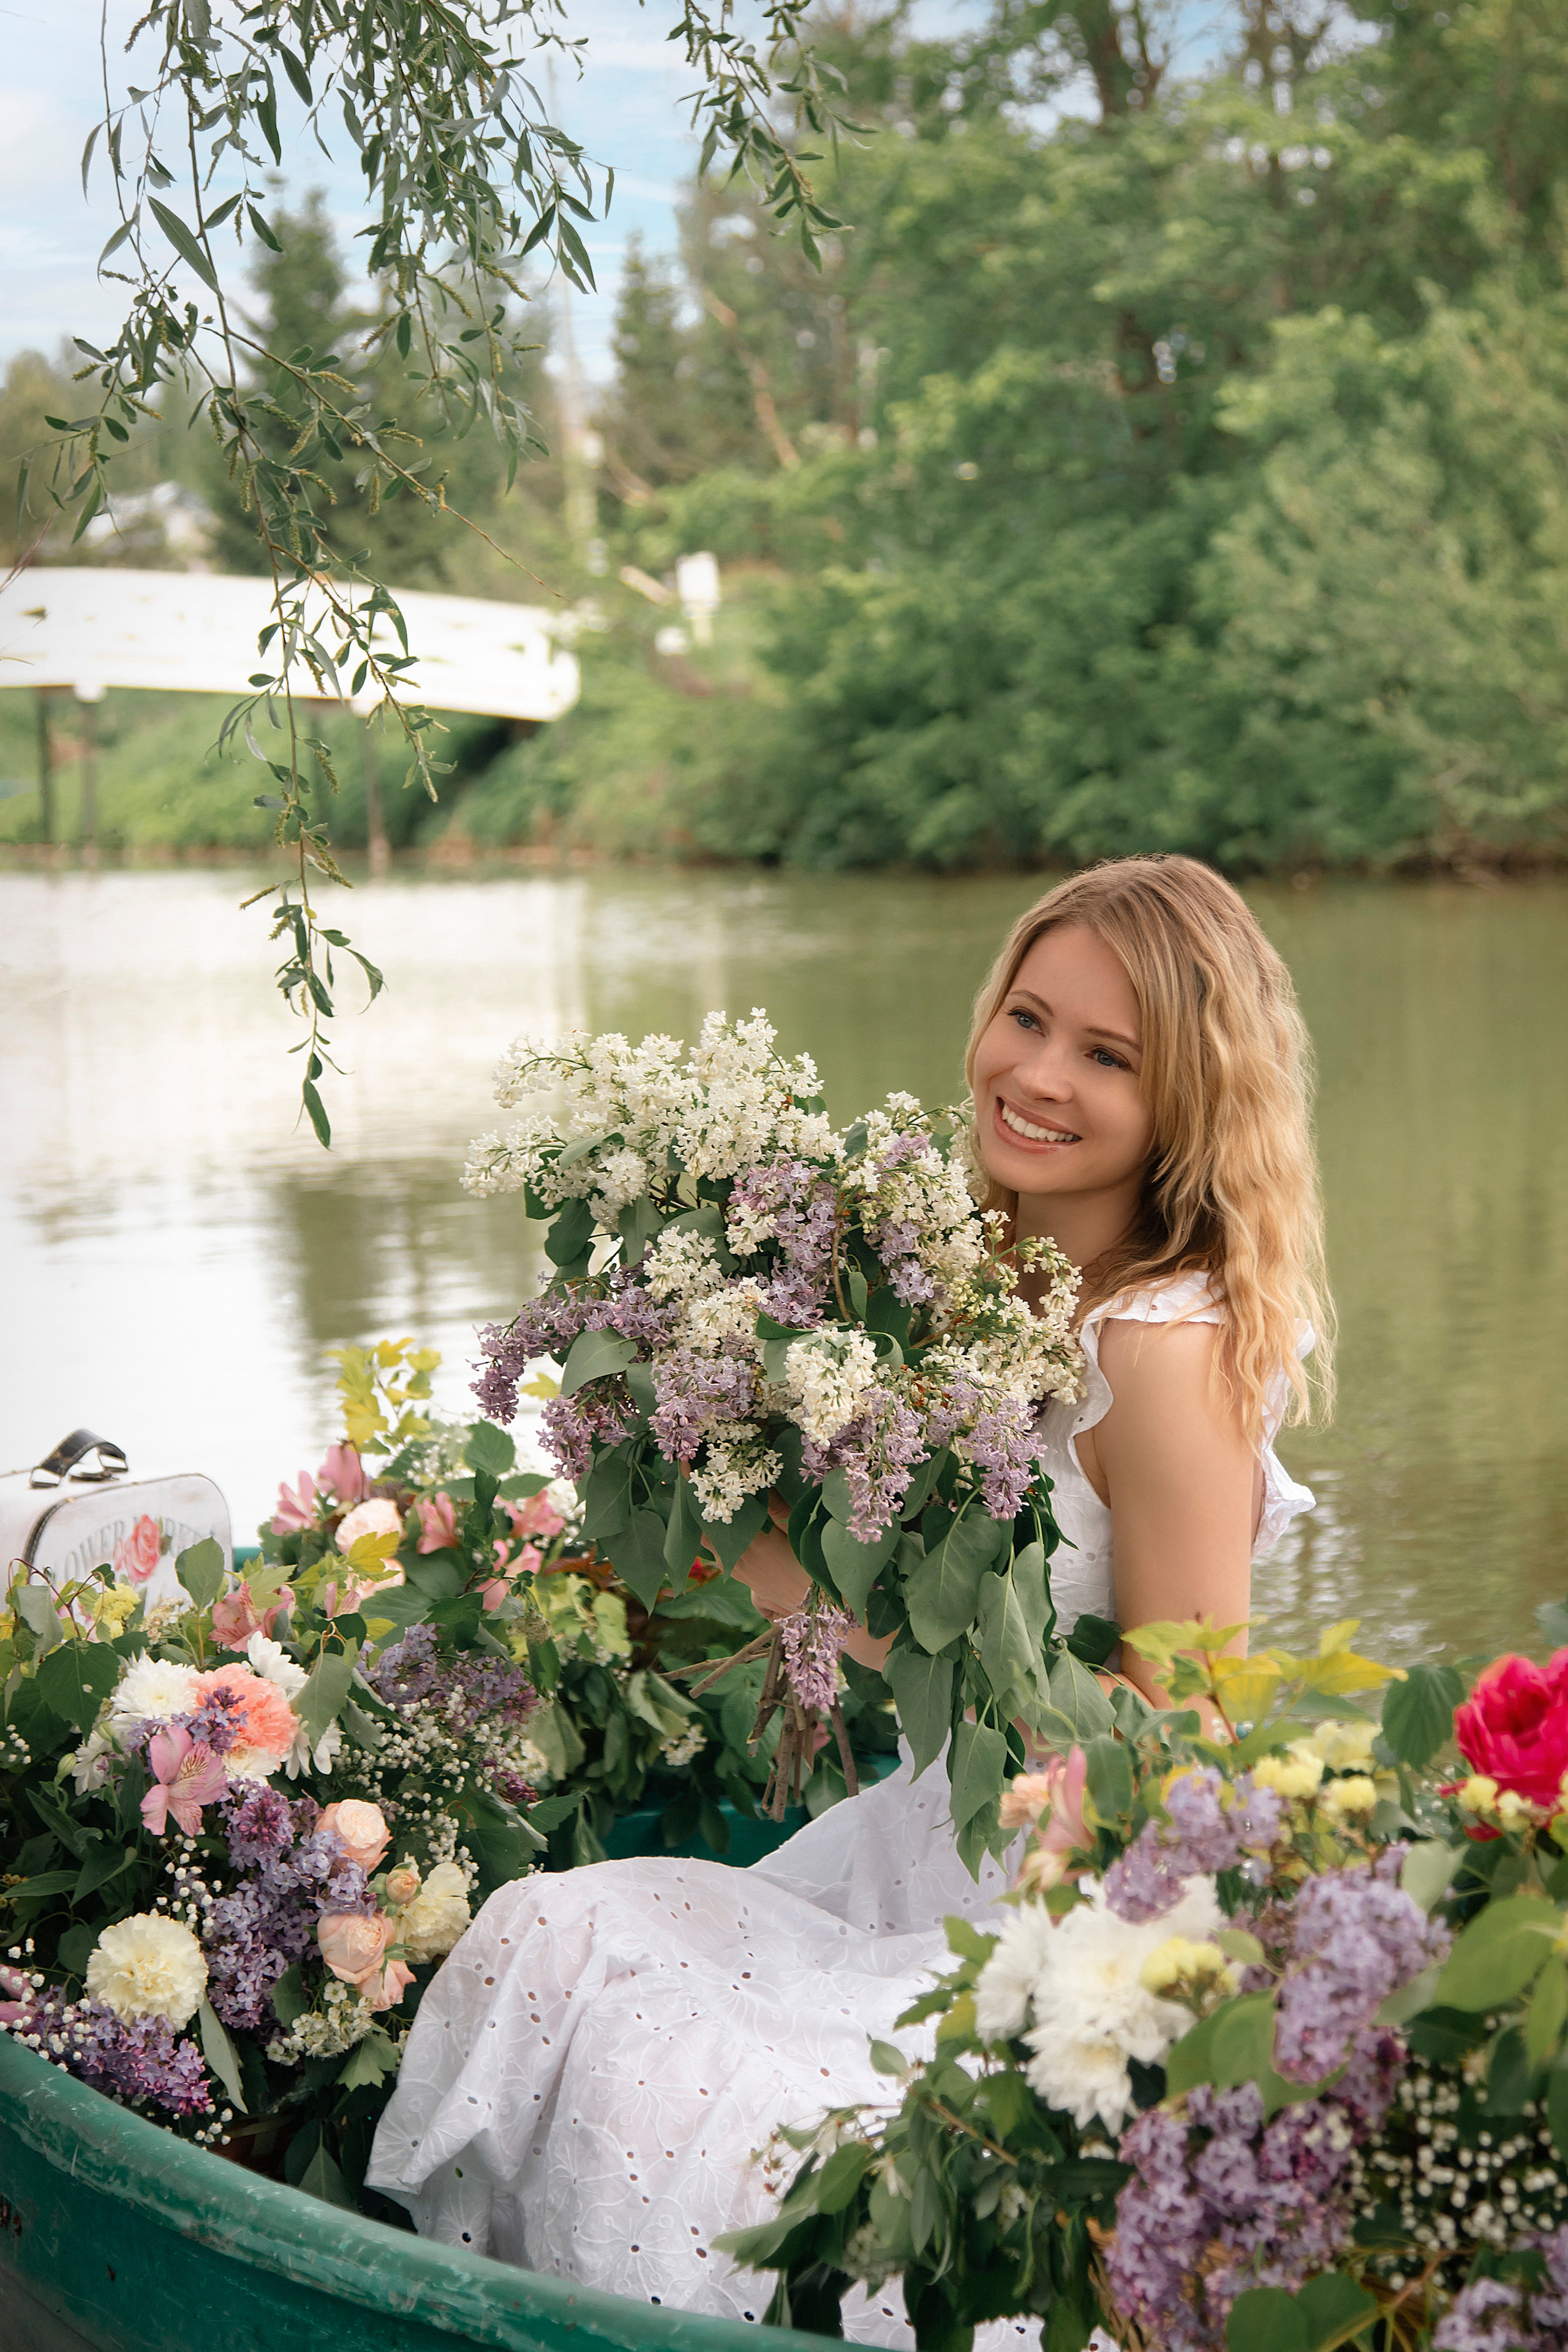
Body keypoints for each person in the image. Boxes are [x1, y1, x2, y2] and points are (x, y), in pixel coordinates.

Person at [367, 855, 1330, 2343]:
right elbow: (939, 1616)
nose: (1036, 1075)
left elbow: (1178, 1732)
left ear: (1190, 1103)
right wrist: (715, 1505)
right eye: (1026, 1017)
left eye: (1106, 1057)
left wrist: (832, 1613)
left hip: (1065, 1907)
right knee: (551, 1941)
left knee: (733, 2105)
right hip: (924, 1845)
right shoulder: (977, 1284)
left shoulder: (1162, 1349)